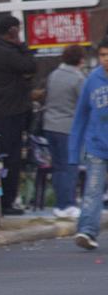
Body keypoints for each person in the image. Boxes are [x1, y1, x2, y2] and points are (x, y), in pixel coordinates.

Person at [0, 15, 36, 215]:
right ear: (12, 31)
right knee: (10, 159)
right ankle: (5, 201)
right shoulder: (7, 52)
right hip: (10, 113)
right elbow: (30, 66)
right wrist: (22, 45)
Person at [70, 38, 108, 251]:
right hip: (97, 145)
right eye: (103, 55)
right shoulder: (92, 80)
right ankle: (87, 231)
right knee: (93, 190)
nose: (106, 59)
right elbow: (81, 116)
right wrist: (74, 151)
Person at [43, 45, 86, 219]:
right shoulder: (78, 79)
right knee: (70, 167)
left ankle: (60, 205)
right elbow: (84, 105)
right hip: (68, 128)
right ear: (80, 60)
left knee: (58, 167)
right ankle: (68, 204)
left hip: (49, 125)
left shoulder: (54, 75)